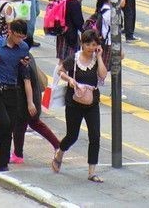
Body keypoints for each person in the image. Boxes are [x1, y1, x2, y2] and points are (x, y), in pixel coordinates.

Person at [0, 18, 36, 173]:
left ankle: (2, 164)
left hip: (13, 90)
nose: (19, 40)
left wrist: (24, 65)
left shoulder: (23, 48)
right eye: (17, 36)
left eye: (22, 37)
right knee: (4, 122)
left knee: (9, 129)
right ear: (10, 32)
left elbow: (23, 72)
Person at [51, 27, 107, 182]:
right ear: (82, 44)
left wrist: (100, 57)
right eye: (88, 44)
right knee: (72, 135)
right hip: (74, 102)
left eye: (94, 44)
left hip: (92, 102)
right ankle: (60, 153)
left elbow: (103, 75)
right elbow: (60, 71)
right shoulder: (74, 59)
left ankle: (91, 172)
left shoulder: (96, 59)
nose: (91, 48)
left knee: (95, 135)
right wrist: (69, 80)